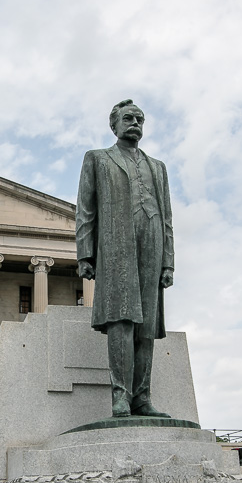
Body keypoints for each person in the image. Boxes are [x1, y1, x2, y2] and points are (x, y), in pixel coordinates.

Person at [76, 99, 174, 418]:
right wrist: (85, 253)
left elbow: (168, 217)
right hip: (116, 243)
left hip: (152, 241)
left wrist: (168, 261)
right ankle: (121, 394)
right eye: (128, 118)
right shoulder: (97, 159)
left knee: (146, 323)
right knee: (122, 318)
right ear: (114, 125)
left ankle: (142, 397)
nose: (135, 123)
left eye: (140, 119)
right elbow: (86, 209)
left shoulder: (157, 166)